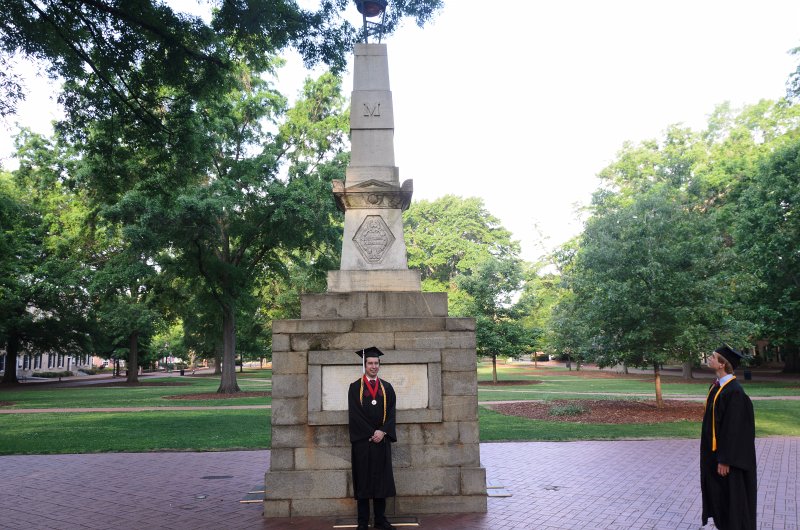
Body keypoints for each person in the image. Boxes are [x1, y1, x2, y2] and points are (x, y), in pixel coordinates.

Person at [700, 344, 757, 530]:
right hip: (714, 457)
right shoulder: (716, 388)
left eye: (713, 357)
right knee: (719, 500)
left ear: (722, 364)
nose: (709, 358)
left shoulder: (734, 392)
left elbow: (735, 431)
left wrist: (725, 459)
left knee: (732, 501)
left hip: (726, 462)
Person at [348, 347, 397, 530]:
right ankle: (362, 522)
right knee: (363, 481)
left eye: (376, 363)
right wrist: (372, 432)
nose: (373, 366)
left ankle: (380, 520)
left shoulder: (387, 388)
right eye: (370, 363)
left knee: (381, 482)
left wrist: (383, 431)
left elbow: (392, 413)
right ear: (364, 364)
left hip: (381, 442)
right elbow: (355, 415)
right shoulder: (355, 388)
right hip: (363, 443)